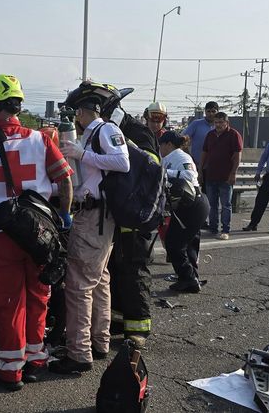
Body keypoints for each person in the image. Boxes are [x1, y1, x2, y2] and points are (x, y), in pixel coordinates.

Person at [0, 74, 73, 391]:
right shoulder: (41, 140)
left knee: (8, 303)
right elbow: (65, 180)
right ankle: (36, 361)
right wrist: (64, 216)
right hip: (39, 233)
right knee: (39, 297)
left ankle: (10, 371)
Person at [49, 81, 130, 375]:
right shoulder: (92, 134)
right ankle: (99, 342)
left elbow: (122, 162)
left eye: (76, 114)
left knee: (79, 285)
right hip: (97, 217)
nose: (75, 120)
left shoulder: (105, 130)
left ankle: (79, 353)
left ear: (83, 112)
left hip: (94, 216)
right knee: (99, 281)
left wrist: (81, 154)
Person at [108, 100, 160, 350]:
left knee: (134, 272)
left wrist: (124, 147)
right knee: (116, 269)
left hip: (137, 214)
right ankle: (118, 322)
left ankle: (139, 327)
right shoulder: (114, 130)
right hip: (120, 213)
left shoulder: (138, 133)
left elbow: (149, 165)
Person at [159, 131, 210, 292]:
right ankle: (191, 276)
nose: (160, 149)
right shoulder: (167, 158)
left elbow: (190, 175)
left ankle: (188, 279)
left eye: (161, 145)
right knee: (188, 243)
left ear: (168, 144)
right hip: (187, 204)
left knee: (174, 243)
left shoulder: (181, 157)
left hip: (193, 203)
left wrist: (165, 173)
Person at [201, 112, 242, 240]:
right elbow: (204, 152)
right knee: (212, 204)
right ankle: (213, 228)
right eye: (216, 122)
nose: (218, 125)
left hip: (226, 176)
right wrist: (200, 170)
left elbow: (237, 155)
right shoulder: (210, 135)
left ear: (226, 123)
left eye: (221, 122)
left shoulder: (233, 134)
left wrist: (233, 173)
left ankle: (225, 230)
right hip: (211, 175)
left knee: (225, 205)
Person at [183, 101, 219, 230]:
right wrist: (189, 157)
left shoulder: (220, 126)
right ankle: (195, 220)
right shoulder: (196, 124)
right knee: (195, 194)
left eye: (213, 111)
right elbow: (183, 139)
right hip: (196, 166)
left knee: (210, 196)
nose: (211, 114)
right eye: (208, 111)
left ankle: (209, 221)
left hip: (213, 167)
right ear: (205, 112)